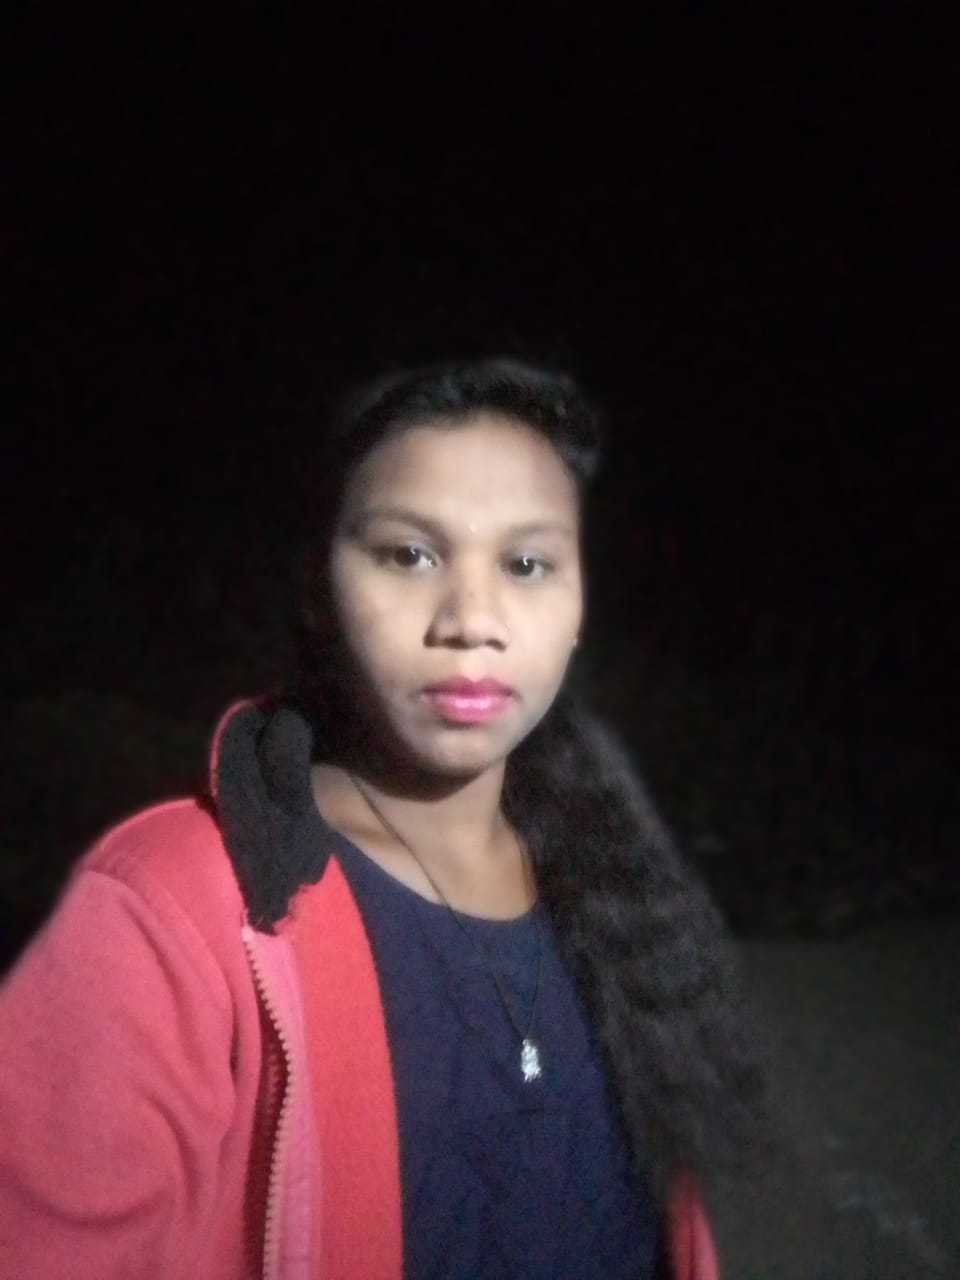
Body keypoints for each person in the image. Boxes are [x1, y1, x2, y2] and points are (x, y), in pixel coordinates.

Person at [0, 357, 782, 1278]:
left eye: (527, 564)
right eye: (410, 554)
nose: (472, 620)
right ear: (319, 592)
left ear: (578, 607)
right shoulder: (165, 914)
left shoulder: (603, 864)